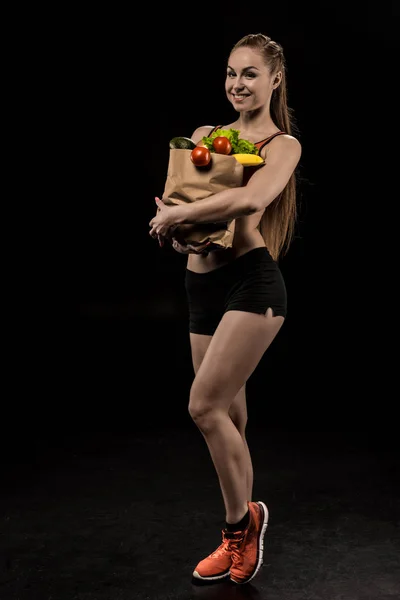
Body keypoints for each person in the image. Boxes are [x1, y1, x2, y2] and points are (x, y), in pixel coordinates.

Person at [149, 32, 302, 585]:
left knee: (203, 407)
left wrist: (171, 220)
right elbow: (188, 212)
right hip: (202, 289)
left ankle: (239, 529)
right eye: (232, 73)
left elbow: (251, 200)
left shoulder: (281, 146)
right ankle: (246, 523)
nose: (238, 84)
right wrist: (178, 231)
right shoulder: (204, 137)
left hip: (252, 286)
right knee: (229, 420)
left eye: (251, 74)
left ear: (274, 79)